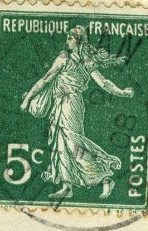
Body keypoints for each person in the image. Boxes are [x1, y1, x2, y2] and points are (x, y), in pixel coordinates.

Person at [20, 26, 134, 199]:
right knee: (60, 144)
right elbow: (45, 80)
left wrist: (122, 92)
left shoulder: (79, 61)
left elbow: (103, 82)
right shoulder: (66, 58)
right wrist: (27, 98)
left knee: (73, 144)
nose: (67, 41)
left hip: (71, 104)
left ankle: (104, 179)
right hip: (60, 104)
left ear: (78, 41)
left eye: (70, 38)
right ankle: (67, 186)